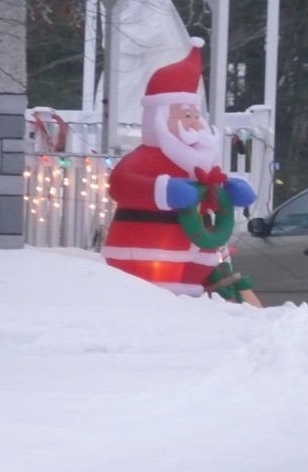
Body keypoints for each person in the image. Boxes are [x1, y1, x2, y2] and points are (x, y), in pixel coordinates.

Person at [101, 38, 261, 305]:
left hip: (197, 262)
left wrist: (231, 188)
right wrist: (162, 190)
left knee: (190, 300)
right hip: (149, 255)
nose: (195, 123)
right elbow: (120, 184)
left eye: (196, 115)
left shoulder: (197, 160)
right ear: (160, 118)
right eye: (186, 115)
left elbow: (213, 186)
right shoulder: (145, 157)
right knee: (156, 300)